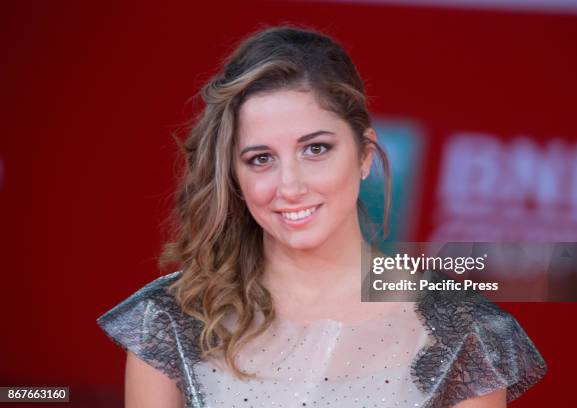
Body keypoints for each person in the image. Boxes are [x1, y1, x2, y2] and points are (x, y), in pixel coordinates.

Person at [97, 25, 547, 408]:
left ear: (365, 153)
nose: (290, 186)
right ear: (233, 175)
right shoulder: (171, 321)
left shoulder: (464, 333)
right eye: (260, 159)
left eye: (316, 149)